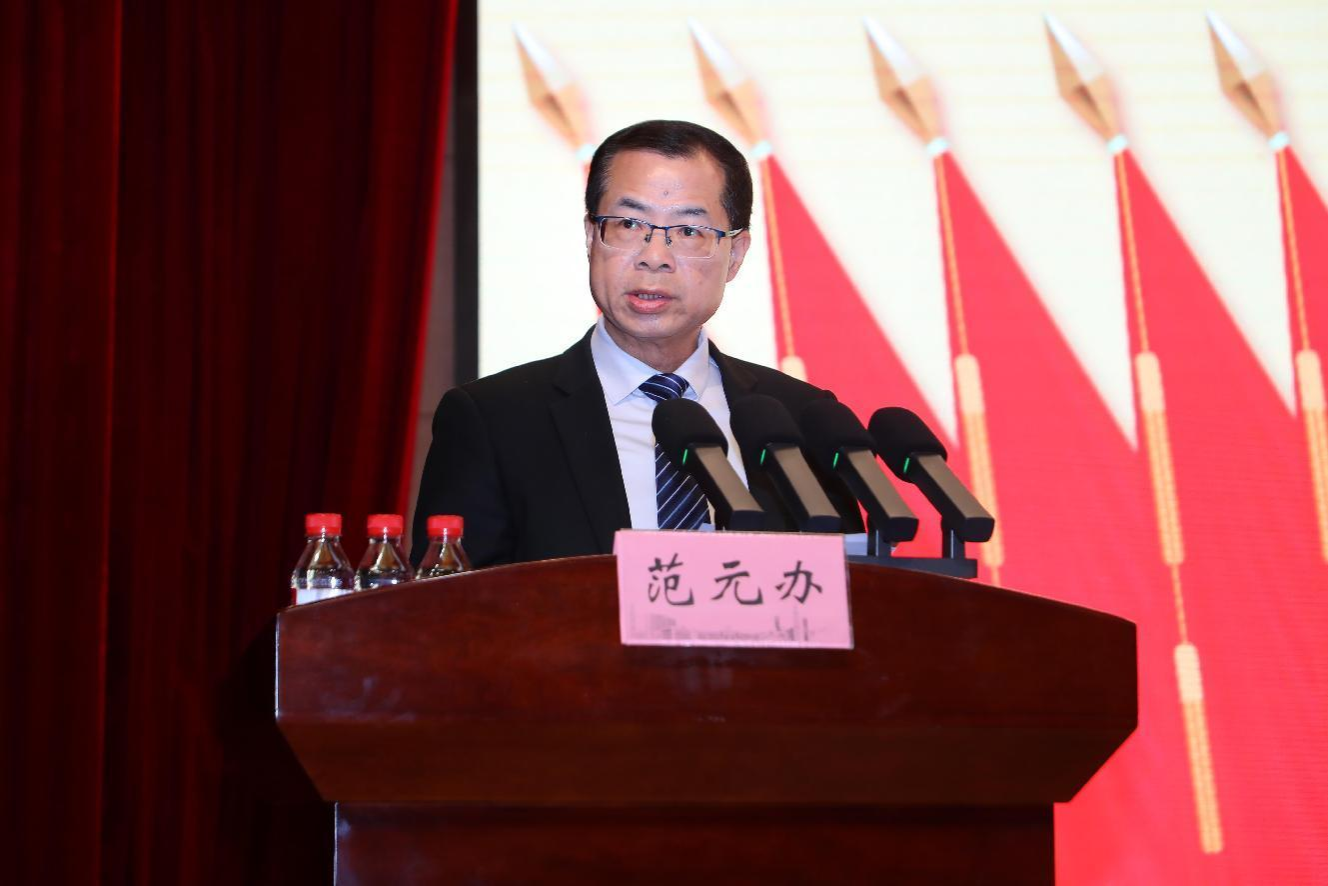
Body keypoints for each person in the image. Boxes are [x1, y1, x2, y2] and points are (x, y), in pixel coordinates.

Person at [411, 120, 860, 567]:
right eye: (628, 223)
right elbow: (451, 604)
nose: (654, 257)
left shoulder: (800, 421)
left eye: (688, 231)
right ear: (592, 237)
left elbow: (850, 592)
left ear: (735, 255)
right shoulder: (494, 421)